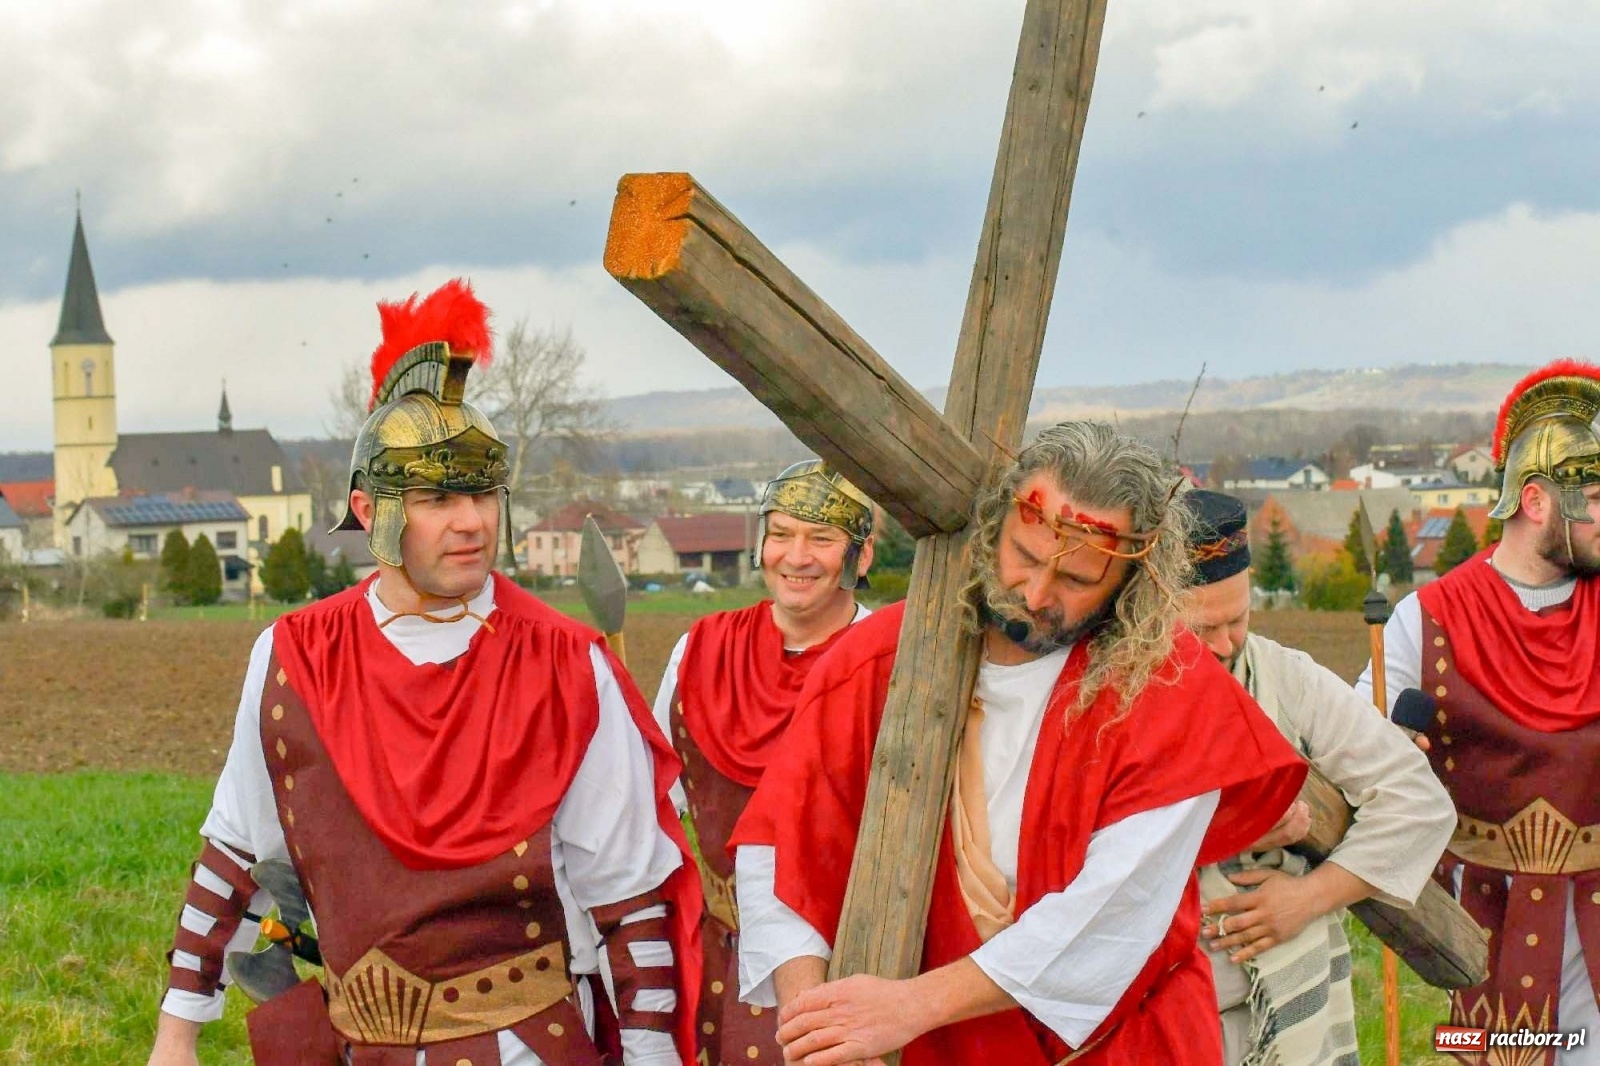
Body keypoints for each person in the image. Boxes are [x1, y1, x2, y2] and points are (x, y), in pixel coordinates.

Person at [147, 279, 700, 1066]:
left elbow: (633, 901)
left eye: (482, 494)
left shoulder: (565, 663)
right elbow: (236, 852)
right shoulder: (293, 655)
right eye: (439, 498)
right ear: (372, 512)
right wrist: (176, 1040)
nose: (472, 521)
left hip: (524, 1047)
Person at [729, 421, 1309, 1065]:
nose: (1036, 595)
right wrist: (817, 1022)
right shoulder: (877, 660)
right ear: (993, 527)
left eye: (1078, 579)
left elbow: (1108, 918)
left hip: (1115, 1048)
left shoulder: (1169, 693)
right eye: (1025, 558)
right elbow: (779, 849)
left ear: (1129, 582)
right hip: (921, 1050)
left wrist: (908, 1006)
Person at [1358, 360, 1600, 1065]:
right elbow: (1352, 746)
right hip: (1490, 911)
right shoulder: (1427, 619)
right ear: (1535, 501)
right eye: (1593, 493)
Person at [1182, 490, 1456, 1065]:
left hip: (1290, 1012)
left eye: (1239, 618)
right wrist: (1240, 826)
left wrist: (1308, 898)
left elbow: (1418, 802)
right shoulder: (1107, 692)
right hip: (1166, 1014)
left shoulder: (1288, 678)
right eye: (1204, 627)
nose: (1228, 643)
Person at [651, 460, 874, 1065]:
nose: (796, 556)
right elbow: (655, 812)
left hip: (862, 959)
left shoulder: (888, 661)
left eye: (821, 539)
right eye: (781, 533)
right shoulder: (701, 648)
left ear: (861, 555)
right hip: (721, 952)